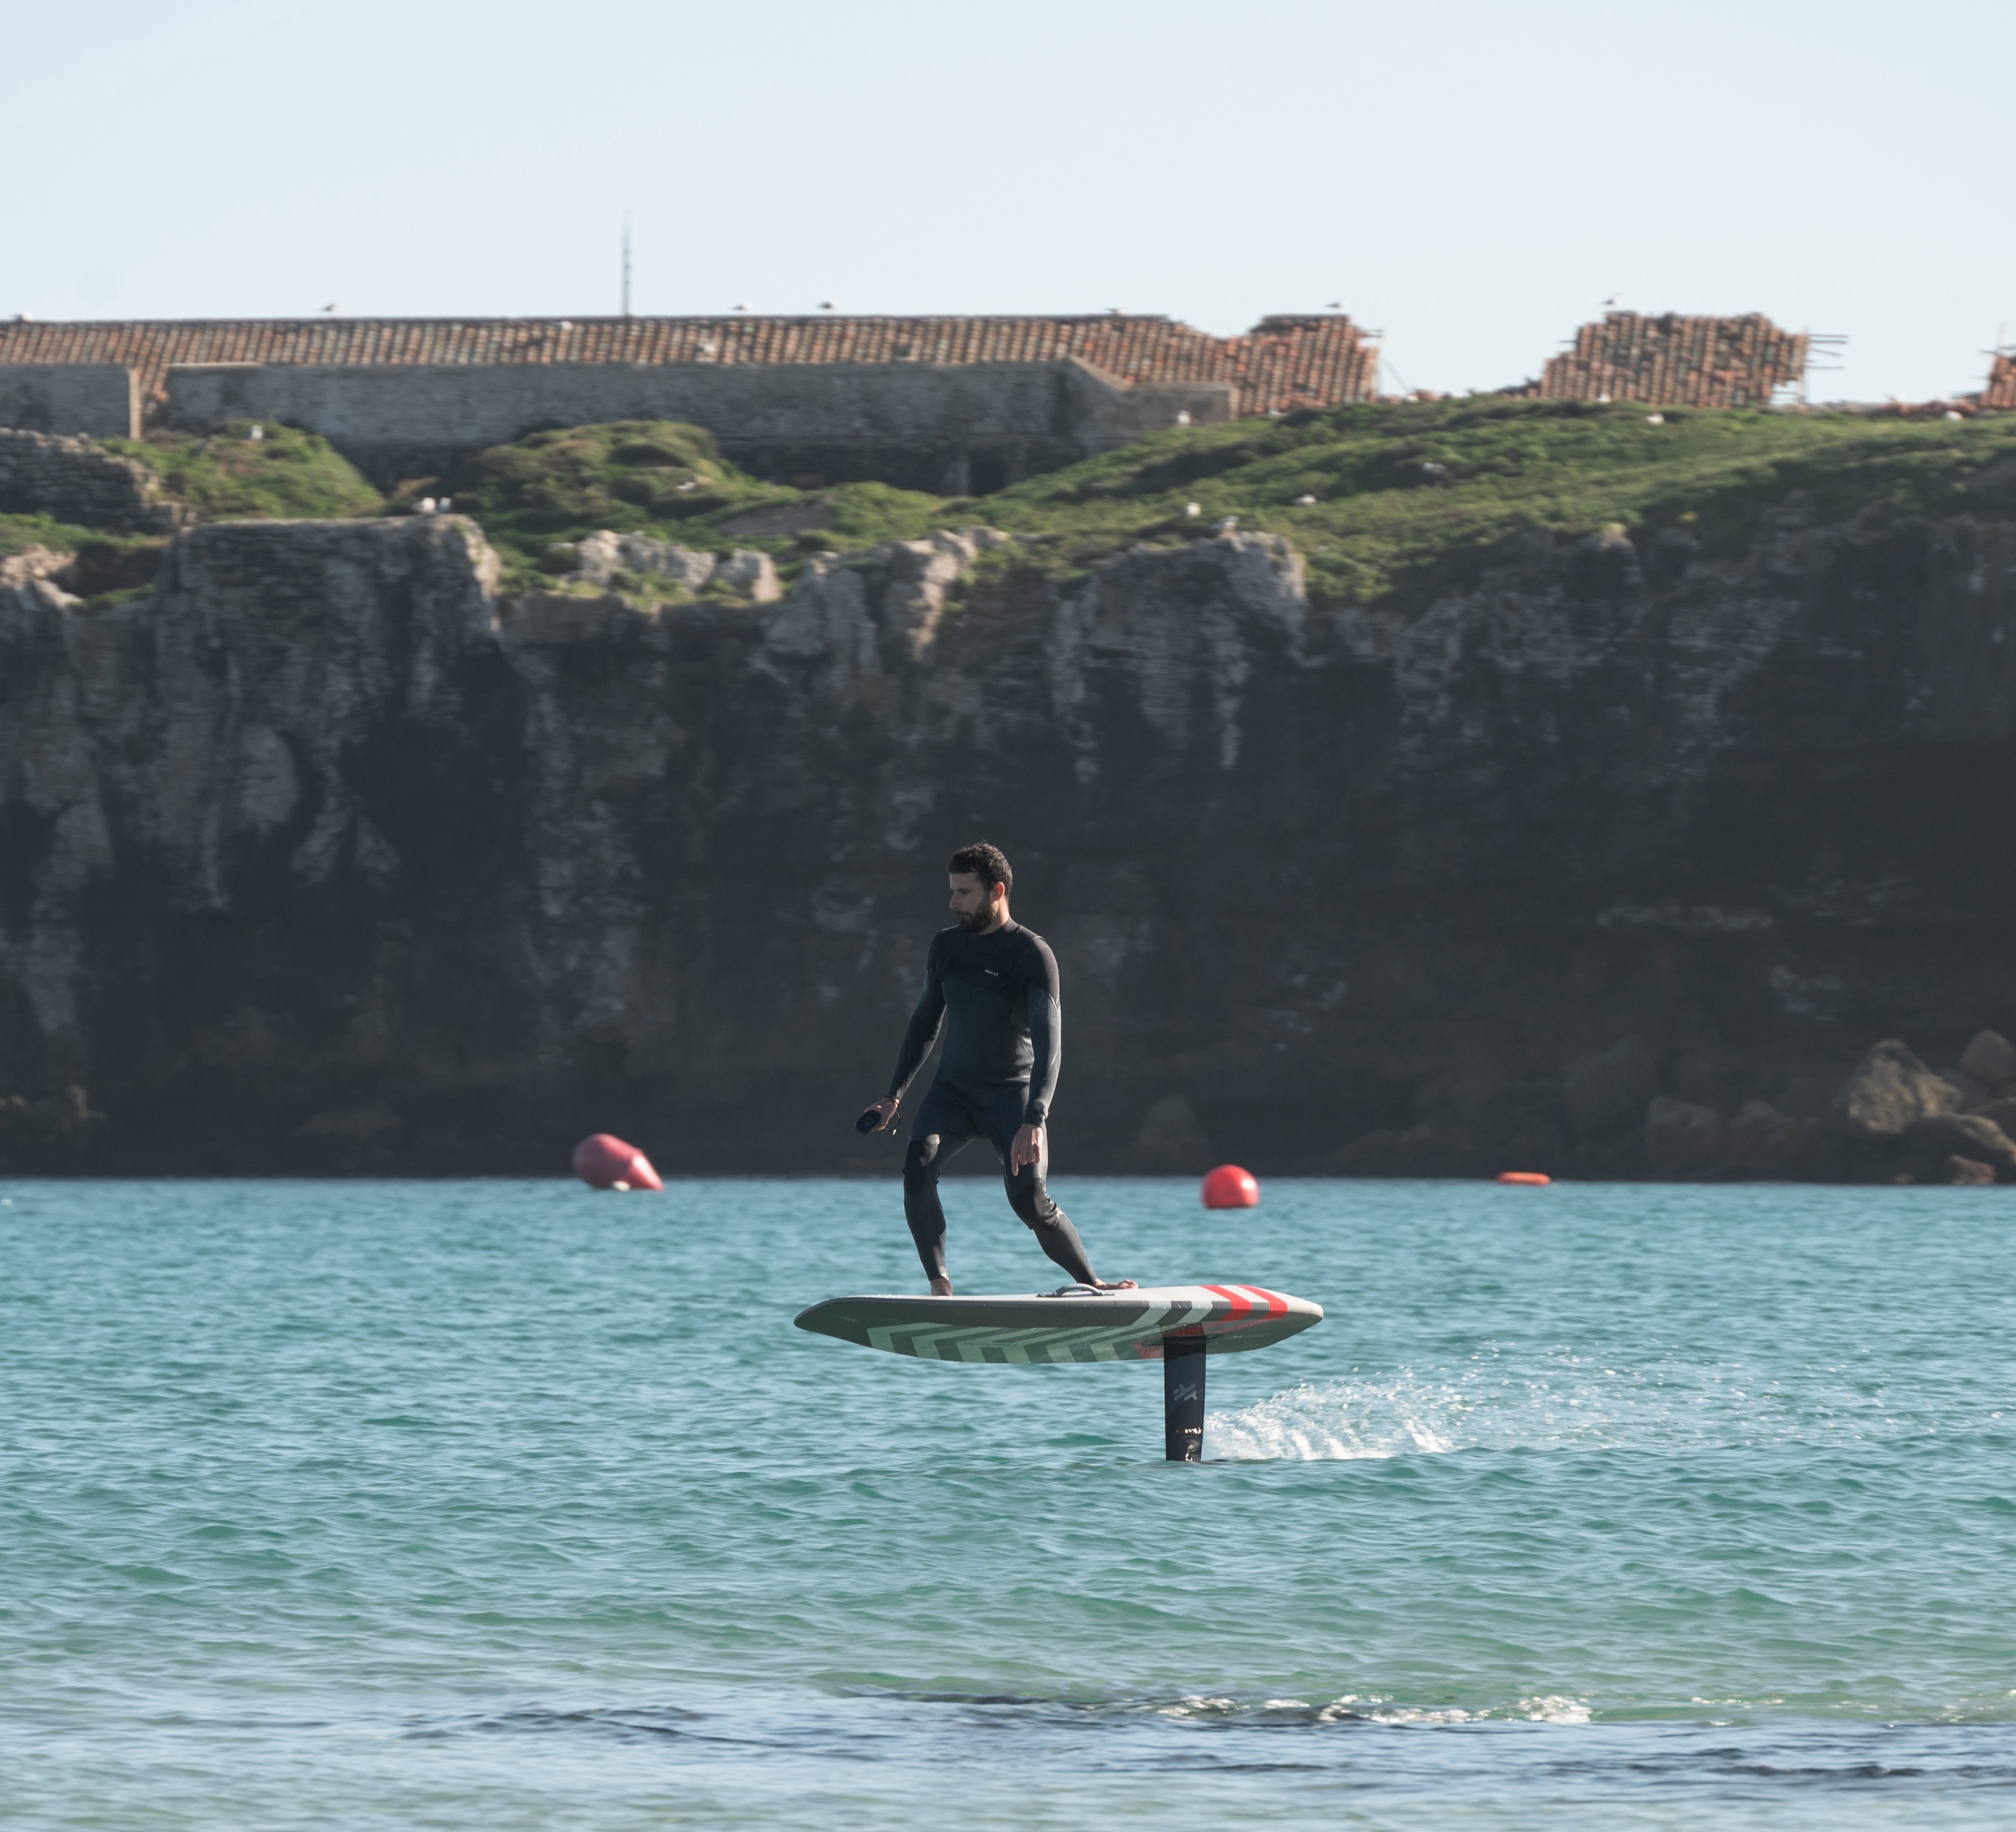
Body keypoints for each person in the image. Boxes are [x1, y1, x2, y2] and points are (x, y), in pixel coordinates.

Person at [863, 842, 1134, 1297]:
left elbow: (1051, 1043)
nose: (953, 903)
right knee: (917, 1166)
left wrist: (1035, 1118)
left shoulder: (1031, 954)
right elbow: (924, 1024)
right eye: (952, 891)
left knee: (1029, 1202)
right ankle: (940, 1285)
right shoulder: (946, 947)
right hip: (952, 1093)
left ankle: (1093, 1283)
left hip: (1012, 1099)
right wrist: (894, 1096)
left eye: (965, 893)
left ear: (997, 891)